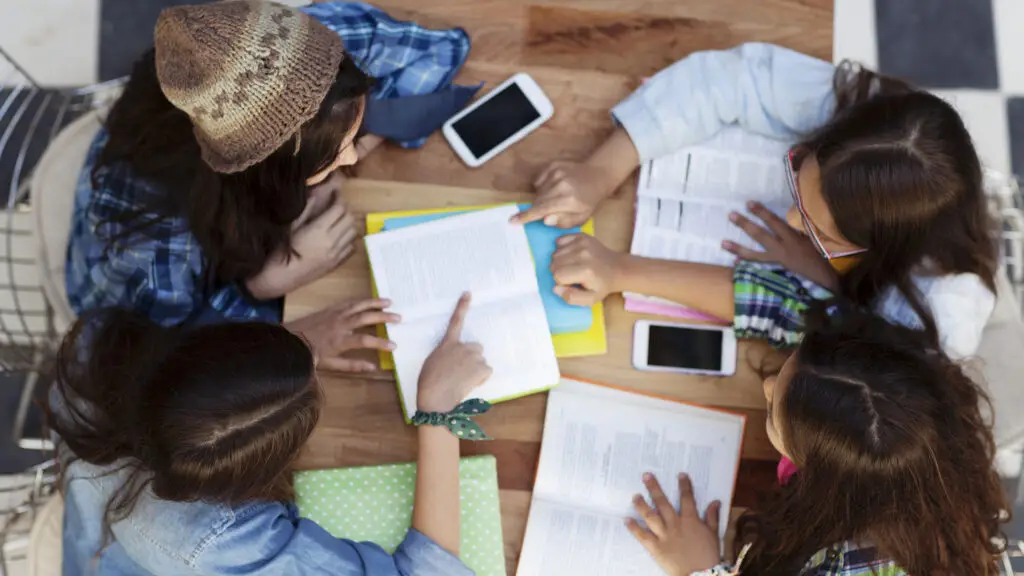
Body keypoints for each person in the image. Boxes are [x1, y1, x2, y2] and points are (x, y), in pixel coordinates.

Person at [517, 43, 997, 358]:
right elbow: (732, 80)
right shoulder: (879, 124)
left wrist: (828, 276)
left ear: (881, 252)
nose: (790, 219)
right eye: (798, 176)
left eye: (820, 231)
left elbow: (834, 337)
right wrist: (602, 170)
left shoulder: (939, 320)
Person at [67, 1, 474, 326]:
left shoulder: (305, 49)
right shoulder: (155, 249)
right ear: (266, 174)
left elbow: (443, 51)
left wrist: (349, 142)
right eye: (338, 153)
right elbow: (160, 360)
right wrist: (257, 290)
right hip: (128, 296)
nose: (352, 158)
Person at [49, 293, 490, 575]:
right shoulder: (225, 542)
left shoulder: (97, 349)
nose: (313, 361)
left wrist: (284, 354)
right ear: (252, 476)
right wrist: (438, 411)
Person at [625, 302, 1009, 575]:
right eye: (791, 364)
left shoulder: (837, 565)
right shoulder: (930, 452)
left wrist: (701, 568)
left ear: (825, 478)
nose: (767, 383)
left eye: (775, 412)